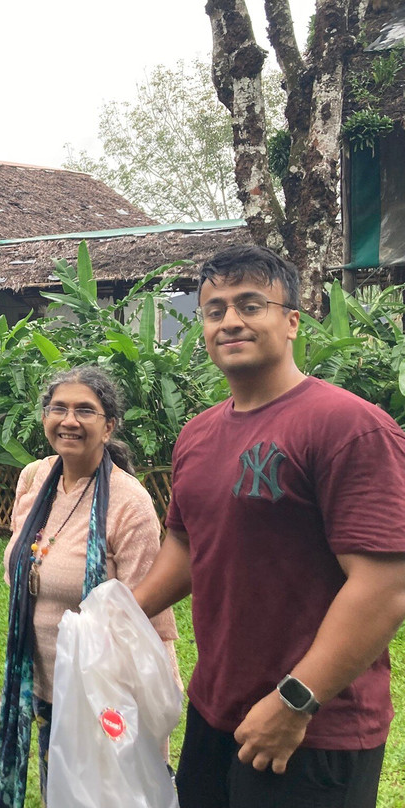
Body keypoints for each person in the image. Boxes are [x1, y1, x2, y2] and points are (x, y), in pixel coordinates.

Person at [133, 245, 405, 808]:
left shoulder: (348, 427)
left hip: (312, 724)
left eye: (250, 305)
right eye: (215, 310)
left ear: (292, 321)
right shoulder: (198, 434)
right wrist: (117, 613)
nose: (230, 321)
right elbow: (186, 543)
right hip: (214, 710)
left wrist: (295, 702)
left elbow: (385, 585)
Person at [0, 366, 179, 807]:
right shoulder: (34, 479)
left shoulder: (128, 501)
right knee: (57, 792)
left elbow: (148, 617)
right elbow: (24, 568)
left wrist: (156, 718)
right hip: (40, 686)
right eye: (58, 408)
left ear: (108, 425)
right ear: (44, 418)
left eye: (85, 411)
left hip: (103, 695)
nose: (69, 420)